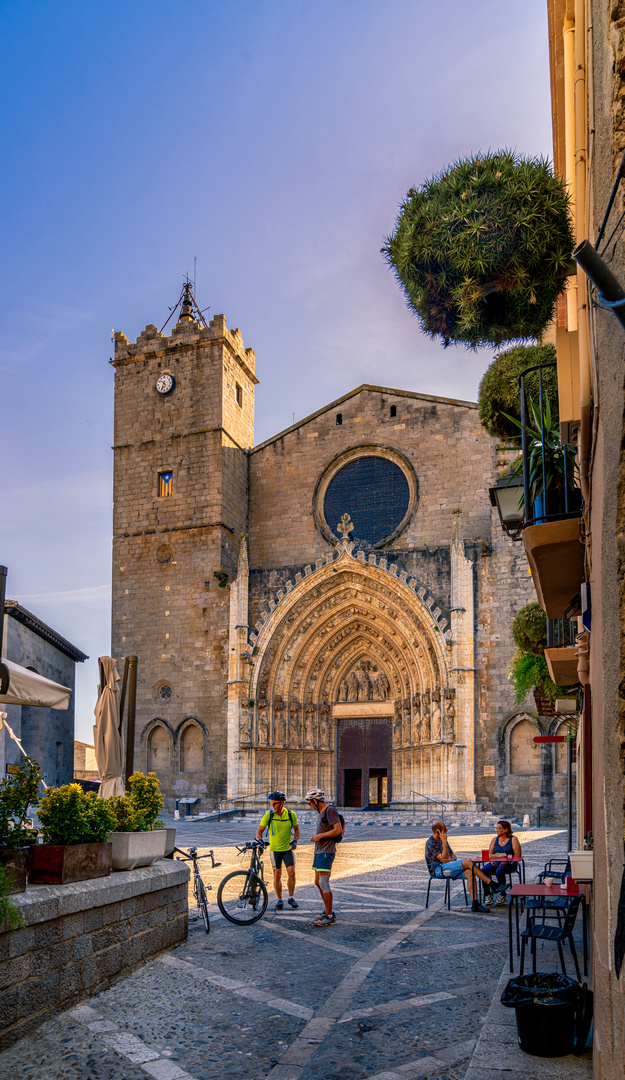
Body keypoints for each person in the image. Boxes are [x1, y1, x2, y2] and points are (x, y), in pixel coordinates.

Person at [425, 820, 492, 914]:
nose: (447, 830)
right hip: (438, 869)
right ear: (438, 831)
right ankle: (491, 884)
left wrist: (450, 859)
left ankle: (475, 904)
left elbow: (453, 856)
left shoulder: (443, 841)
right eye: (445, 829)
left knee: (470, 872)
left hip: (448, 866)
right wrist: (444, 841)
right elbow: (443, 857)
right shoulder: (431, 843)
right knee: (468, 861)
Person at [256, 790, 300, 910]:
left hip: (287, 848)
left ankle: (291, 897)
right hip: (274, 850)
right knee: (277, 874)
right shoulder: (268, 815)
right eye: (271, 803)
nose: (273, 805)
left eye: (275, 803)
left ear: (282, 803)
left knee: (292, 872)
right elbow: (259, 831)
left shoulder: (291, 815)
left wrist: (295, 842)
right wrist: (260, 841)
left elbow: (297, 830)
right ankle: (279, 899)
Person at [306, 787, 342, 927]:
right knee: (317, 882)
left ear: (315, 801)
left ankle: (329, 915)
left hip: (326, 851)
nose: (309, 806)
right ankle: (328, 910)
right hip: (319, 851)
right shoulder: (321, 812)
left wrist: (320, 836)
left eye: (309, 803)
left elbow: (337, 829)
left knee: (324, 883)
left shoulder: (330, 810)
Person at [481, 820, 522, 906]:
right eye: (496, 828)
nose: (497, 830)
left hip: (510, 864)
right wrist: (491, 861)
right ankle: (488, 894)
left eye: (499, 829)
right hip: (496, 863)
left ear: (506, 830)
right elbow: (490, 854)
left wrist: (506, 860)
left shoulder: (513, 839)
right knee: (483, 870)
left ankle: (503, 894)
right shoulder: (495, 839)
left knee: (499, 870)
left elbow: (518, 855)